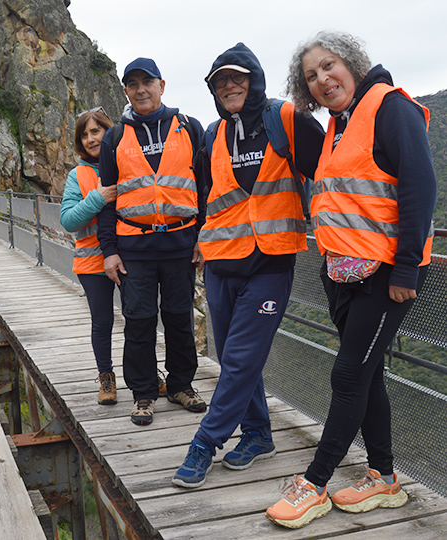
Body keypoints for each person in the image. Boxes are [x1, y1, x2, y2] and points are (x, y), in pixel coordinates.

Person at [266, 31, 436, 529]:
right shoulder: (339, 126)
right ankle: (383, 476)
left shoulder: (390, 108)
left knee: (346, 375)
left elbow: (420, 188)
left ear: (353, 64)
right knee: (367, 375)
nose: (322, 79)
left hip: (385, 275)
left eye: (329, 66)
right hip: (342, 272)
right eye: (311, 76)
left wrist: (406, 266)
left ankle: (314, 485)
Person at [172, 43, 325, 489]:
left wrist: (341, 233)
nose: (230, 86)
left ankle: (204, 443)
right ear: (213, 90)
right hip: (220, 262)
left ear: (254, 78)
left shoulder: (288, 120)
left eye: (237, 77)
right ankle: (258, 435)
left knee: (239, 359)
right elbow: (205, 196)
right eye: (221, 81)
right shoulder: (212, 135)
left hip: (271, 263)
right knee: (236, 358)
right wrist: (199, 242)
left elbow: (330, 174)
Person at [97, 57, 207, 426]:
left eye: (147, 82)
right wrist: (109, 251)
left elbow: (205, 190)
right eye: (133, 84)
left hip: (180, 245)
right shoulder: (115, 137)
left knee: (179, 320)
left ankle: (180, 385)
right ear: (126, 90)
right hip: (134, 249)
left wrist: (204, 235)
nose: (141, 89)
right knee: (139, 321)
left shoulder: (189, 128)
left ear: (162, 85)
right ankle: (143, 393)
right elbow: (108, 198)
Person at [60, 107, 119, 404]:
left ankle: (146, 374)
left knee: (141, 318)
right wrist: (98, 197)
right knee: (102, 321)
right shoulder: (78, 175)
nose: (91, 139)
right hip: (92, 262)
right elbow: (68, 220)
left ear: (109, 131)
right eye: (84, 135)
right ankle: (106, 378)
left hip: (128, 257)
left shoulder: (126, 164)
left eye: (96, 131)